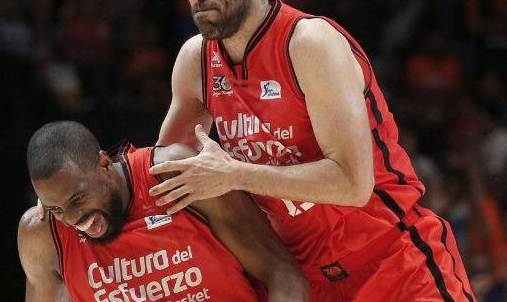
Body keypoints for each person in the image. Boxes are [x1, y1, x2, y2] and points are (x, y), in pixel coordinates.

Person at [150, 0, 474, 300]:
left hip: (394, 264)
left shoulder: (309, 43)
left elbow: (354, 184)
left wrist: (233, 174)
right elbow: (165, 167)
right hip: (307, 281)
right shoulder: (195, 61)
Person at [18, 121, 309, 301]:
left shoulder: (174, 173)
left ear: (105, 166)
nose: (72, 219)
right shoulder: (42, 234)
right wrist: (61, 205)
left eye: (77, 199)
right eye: (57, 208)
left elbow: (283, 274)